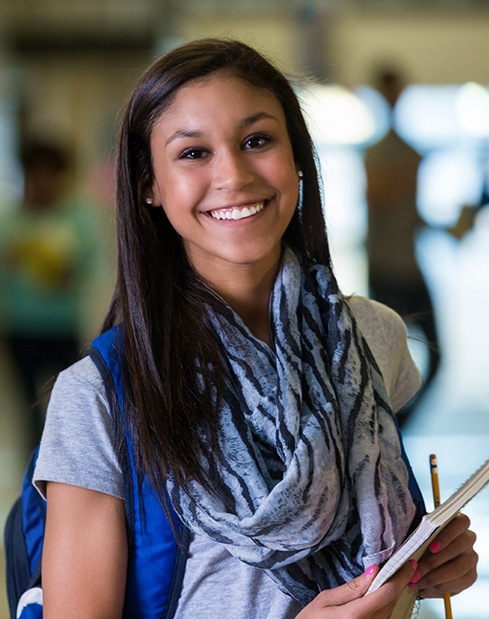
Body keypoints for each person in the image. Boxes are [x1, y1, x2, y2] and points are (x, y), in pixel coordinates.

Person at [33, 39, 478, 618]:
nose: (234, 175)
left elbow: (373, 525)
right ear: (149, 185)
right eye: (193, 153)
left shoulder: (371, 338)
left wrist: (431, 553)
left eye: (256, 140)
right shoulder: (99, 396)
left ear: (296, 156)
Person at [0, 140, 98, 452]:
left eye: (50, 174)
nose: (42, 181)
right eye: (35, 173)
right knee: (28, 407)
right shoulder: (11, 219)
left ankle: (68, 459)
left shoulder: (78, 218)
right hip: (21, 326)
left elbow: (87, 269)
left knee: (69, 402)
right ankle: (33, 473)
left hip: (63, 325)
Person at [364, 68, 440, 428]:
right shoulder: (380, 151)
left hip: (410, 265)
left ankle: (397, 427)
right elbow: (375, 195)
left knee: (440, 356)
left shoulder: (408, 150)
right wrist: (407, 172)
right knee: (384, 361)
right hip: (386, 268)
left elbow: (413, 214)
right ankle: (387, 429)